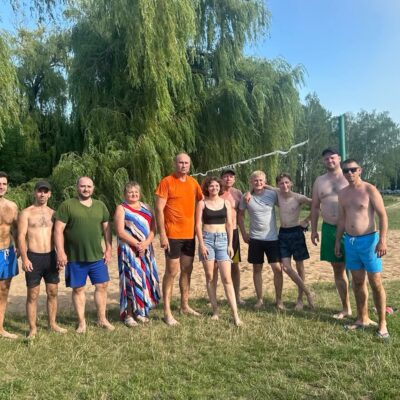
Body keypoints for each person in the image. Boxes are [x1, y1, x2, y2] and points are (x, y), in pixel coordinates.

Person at [335, 159, 389, 339]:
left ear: (360, 170)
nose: (349, 173)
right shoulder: (342, 193)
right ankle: (362, 318)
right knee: (358, 282)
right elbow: (342, 219)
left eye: (353, 170)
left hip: (369, 241)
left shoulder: (369, 190)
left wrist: (382, 241)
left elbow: (382, 216)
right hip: (350, 242)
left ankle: (382, 323)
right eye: (346, 171)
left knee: (375, 282)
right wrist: (338, 241)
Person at [54, 176, 114, 333]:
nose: (86, 189)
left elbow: (107, 229)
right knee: (78, 289)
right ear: (77, 187)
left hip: (97, 257)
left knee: (102, 286)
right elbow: (58, 230)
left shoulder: (100, 206)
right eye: (82, 186)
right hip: (75, 257)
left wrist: (109, 249)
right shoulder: (67, 205)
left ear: (93, 188)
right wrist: (60, 252)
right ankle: (82, 322)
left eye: (89, 186)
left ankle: (102, 319)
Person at [155, 152, 203, 325]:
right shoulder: (166, 182)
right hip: (172, 235)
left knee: (187, 269)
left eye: (186, 163)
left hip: (189, 235)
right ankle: (167, 311)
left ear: (189, 165)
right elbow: (158, 209)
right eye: (180, 162)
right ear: (175, 163)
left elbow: (203, 200)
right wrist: (162, 234)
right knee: (172, 272)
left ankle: (184, 305)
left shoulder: (193, 183)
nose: (183, 165)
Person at [18, 180, 67, 338]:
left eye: (46, 191)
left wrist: (60, 255)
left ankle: (52, 324)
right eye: (40, 191)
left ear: (50, 194)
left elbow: (59, 235)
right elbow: (21, 236)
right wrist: (25, 258)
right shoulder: (26, 213)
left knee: (53, 292)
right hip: (33, 257)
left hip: (51, 256)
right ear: (35, 192)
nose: (42, 194)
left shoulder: (54, 213)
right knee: (32, 294)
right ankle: (32, 328)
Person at [311, 148, 351, 319]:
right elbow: (314, 207)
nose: (330, 161)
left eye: (332, 158)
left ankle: (363, 309)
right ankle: (346, 307)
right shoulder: (319, 181)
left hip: (351, 228)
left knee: (358, 270)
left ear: (339, 158)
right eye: (326, 159)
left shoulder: (349, 176)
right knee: (338, 269)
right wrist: (313, 230)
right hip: (329, 227)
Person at [195, 176, 242, 326]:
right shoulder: (202, 203)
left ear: (220, 187)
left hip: (223, 240)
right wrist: (201, 244)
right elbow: (197, 225)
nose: (214, 188)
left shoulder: (226, 203)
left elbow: (229, 224)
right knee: (210, 276)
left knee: (227, 278)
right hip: (207, 240)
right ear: (207, 188)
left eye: (216, 186)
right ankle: (215, 311)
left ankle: (235, 315)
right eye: (211, 186)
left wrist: (230, 244)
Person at [114, 182, 160, 327]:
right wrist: (137, 244)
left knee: (145, 279)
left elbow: (153, 229)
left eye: (136, 192)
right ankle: (129, 315)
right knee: (131, 280)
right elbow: (120, 231)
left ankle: (140, 311)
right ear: (125, 194)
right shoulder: (121, 208)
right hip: (129, 250)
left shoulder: (147, 207)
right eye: (130, 192)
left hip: (146, 250)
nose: (133, 194)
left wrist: (145, 244)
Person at [238, 170, 284, 310]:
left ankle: (279, 301)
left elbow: (283, 192)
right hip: (255, 239)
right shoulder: (246, 197)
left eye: (261, 180)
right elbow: (240, 216)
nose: (258, 183)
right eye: (255, 180)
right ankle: (259, 299)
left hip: (272, 238)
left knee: (277, 269)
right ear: (251, 182)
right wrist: (244, 234)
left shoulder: (272, 194)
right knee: (257, 269)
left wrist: (266, 186)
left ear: (265, 182)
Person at [274, 173, 315, 310]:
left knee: (299, 266)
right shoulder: (277, 194)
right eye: (281, 183)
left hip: (296, 233)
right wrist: (249, 192)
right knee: (286, 267)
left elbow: (317, 205)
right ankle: (308, 292)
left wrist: (307, 220)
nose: (284, 185)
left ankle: (300, 299)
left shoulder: (298, 197)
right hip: (283, 234)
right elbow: (261, 186)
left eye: (287, 182)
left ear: (291, 183)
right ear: (278, 185)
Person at [217, 168, 245, 305]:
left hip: (233, 232)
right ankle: (214, 297)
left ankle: (237, 296)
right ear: (221, 178)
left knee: (235, 265)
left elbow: (241, 216)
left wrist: (243, 233)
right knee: (215, 266)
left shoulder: (237, 193)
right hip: (218, 232)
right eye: (226, 176)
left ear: (234, 179)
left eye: (231, 177)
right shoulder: (216, 192)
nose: (228, 179)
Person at [0, 171, 19, 339]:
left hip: (6, 252)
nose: (1, 186)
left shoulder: (12, 206)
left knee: (4, 289)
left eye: (4, 184)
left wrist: (19, 247)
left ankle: (0, 328)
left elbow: (16, 229)